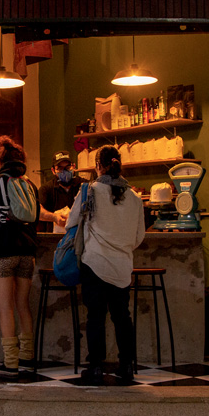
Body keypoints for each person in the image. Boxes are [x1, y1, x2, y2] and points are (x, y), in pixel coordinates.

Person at [65, 144, 145, 384]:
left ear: (98, 166)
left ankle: (96, 366)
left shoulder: (89, 191)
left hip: (95, 262)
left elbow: (71, 222)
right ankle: (127, 366)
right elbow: (138, 237)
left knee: (96, 317)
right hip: (122, 266)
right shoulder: (134, 197)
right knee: (122, 316)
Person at [0, 136, 40, 377]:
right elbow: (34, 218)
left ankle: (10, 362)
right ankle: (27, 356)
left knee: (6, 307)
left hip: (4, 251)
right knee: (22, 304)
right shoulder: (30, 185)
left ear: (1, 161)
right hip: (28, 252)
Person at [38, 150, 83, 233]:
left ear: (74, 167)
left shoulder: (83, 186)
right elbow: (38, 212)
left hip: (79, 236)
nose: (64, 171)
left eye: (68, 167)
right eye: (60, 168)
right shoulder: (46, 189)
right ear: (53, 170)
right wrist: (54, 217)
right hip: (56, 239)